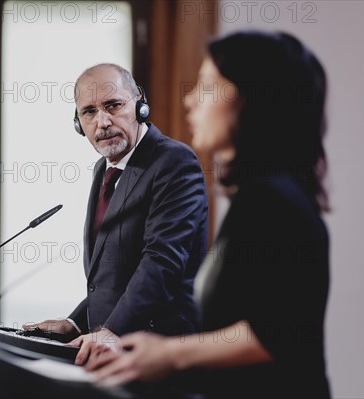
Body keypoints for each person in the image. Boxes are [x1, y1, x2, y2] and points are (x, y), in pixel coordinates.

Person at [87, 31, 332, 398]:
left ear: (249, 98)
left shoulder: (273, 199)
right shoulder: (260, 196)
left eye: (206, 85)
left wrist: (168, 352)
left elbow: (277, 335)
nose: (190, 100)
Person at [23, 63, 209, 365]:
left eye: (113, 105)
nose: (102, 122)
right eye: (89, 112)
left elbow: (161, 262)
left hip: (161, 352)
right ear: (77, 122)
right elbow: (114, 280)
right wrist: (74, 323)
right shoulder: (104, 169)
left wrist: (111, 331)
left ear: (140, 105)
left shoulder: (174, 161)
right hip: (114, 353)